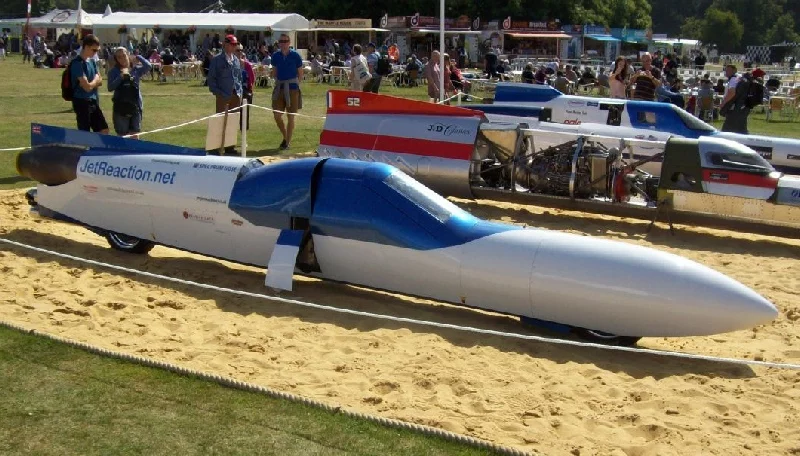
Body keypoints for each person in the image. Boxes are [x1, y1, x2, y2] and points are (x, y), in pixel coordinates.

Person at [206, 34, 243, 155]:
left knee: (233, 121)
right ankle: (215, 147)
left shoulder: (236, 60)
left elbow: (238, 77)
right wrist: (217, 92)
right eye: (232, 44)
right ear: (225, 45)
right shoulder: (217, 60)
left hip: (235, 95)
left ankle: (229, 147)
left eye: (235, 45)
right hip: (222, 94)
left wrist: (240, 91)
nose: (234, 47)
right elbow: (211, 78)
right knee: (220, 121)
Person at [107, 47, 152, 138]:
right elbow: (110, 87)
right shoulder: (113, 71)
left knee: (135, 134)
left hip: (135, 105)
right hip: (121, 107)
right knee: (122, 135)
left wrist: (138, 56)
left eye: (124, 55)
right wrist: (121, 77)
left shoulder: (135, 70)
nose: (122, 58)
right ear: (116, 59)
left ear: (128, 55)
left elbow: (148, 66)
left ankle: (135, 152)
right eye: (119, 57)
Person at [270, 33, 303, 150]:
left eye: (285, 41)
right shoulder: (275, 56)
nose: (283, 43)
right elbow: (274, 72)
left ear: (289, 43)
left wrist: (296, 85)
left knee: (291, 116)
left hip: (292, 88)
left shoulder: (295, 56)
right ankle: (285, 137)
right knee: (277, 114)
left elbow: (300, 73)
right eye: (281, 41)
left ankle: (287, 142)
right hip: (279, 87)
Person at [70, 35, 108, 134]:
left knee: (103, 130)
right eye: (94, 50)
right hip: (81, 102)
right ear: (86, 47)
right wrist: (95, 80)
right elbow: (87, 87)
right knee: (84, 133)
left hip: (93, 101)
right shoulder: (77, 63)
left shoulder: (92, 62)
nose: (96, 53)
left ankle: (97, 149)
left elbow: (100, 81)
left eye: (97, 50)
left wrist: (94, 82)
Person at [720, 65, 751, 134]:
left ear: (734, 71)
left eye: (729, 70)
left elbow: (732, 92)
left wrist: (723, 103)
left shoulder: (733, 79)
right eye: (726, 70)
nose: (726, 72)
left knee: (726, 130)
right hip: (743, 107)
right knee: (742, 129)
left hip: (734, 107)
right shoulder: (741, 79)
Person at [236, 44, 255, 131]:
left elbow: (252, 79)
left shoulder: (247, 65)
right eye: (237, 50)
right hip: (233, 92)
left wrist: (251, 91)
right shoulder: (229, 64)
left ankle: (243, 137)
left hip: (245, 92)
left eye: (240, 50)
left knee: (244, 114)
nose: (239, 52)